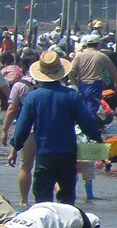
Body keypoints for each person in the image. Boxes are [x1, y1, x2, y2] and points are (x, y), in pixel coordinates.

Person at [9, 50, 103, 205]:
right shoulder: (72, 95)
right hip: (68, 154)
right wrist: (98, 138)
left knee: (42, 201)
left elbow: (23, 126)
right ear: (61, 72)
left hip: (45, 153)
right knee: (67, 200)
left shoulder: (34, 97)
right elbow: (87, 122)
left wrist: (15, 147)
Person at [0, 52, 38, 206]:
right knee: (48, 166)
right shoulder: (52, 83)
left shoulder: (20, 85)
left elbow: (12, 109)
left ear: (22, 67)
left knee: (25, 166)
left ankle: (24, 201)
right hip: (49, 130)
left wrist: (4, 130)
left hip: (28, 129)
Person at [71, 33, 117, 118]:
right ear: (98, 44)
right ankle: (89, 128)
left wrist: (75, 82)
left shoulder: (79, 56)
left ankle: (82, 127)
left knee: (83, 107)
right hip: (94, 85)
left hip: (82, 84)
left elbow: (71, 71)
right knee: (92, 110)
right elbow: (113, 71)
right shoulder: (101, 56)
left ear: (87, 44)